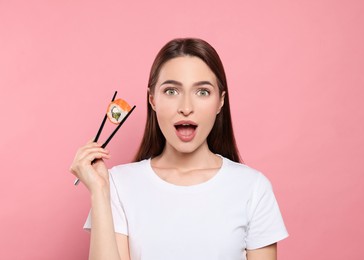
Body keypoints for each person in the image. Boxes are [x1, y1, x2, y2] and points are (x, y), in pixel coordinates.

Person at [70, 38, 288, 260]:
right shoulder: (117, 185)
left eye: (202, 92)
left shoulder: (253, 188)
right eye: (171, 91)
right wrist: (99, 192)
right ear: (152, 100)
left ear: (220, 102)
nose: (186, 108)